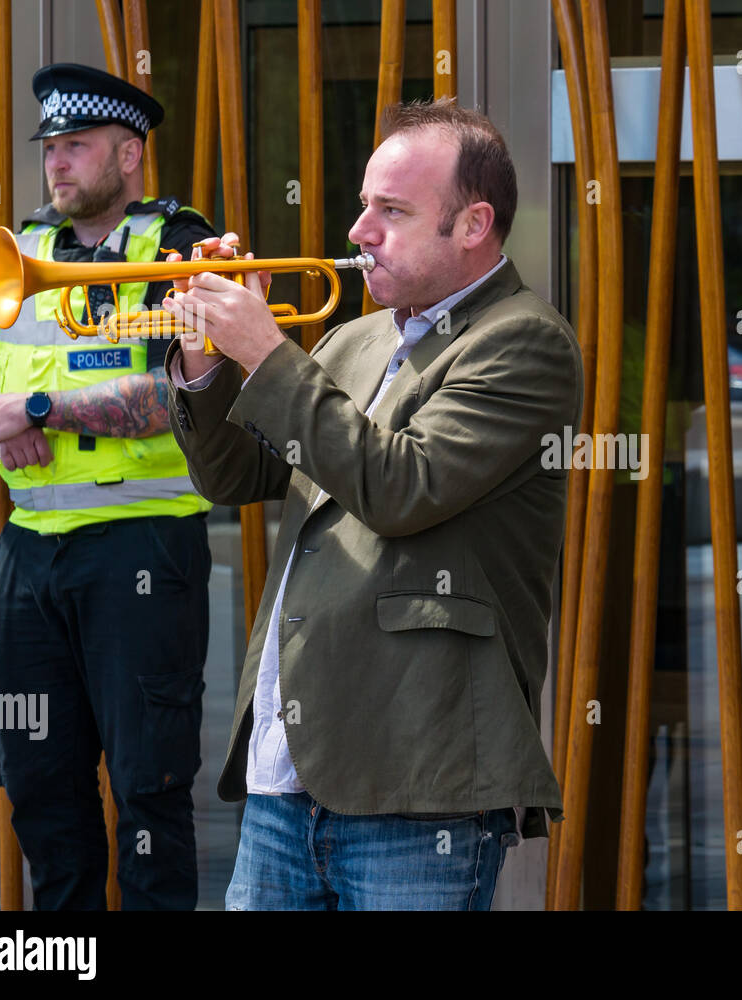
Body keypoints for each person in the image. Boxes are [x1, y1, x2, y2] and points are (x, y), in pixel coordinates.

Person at [164, 98, 581, 911]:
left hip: (419, 779)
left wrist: (267, 352)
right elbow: (234, 477)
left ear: (473, 225)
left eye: (391, 211)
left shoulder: (523, 340)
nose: (359, 230)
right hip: (288, 775)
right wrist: (203, 357)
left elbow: (400, 487)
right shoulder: (355, 341)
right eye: (364, 205)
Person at [0, 64, 217, 909]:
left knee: (148, 789)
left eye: (77, 147)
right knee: (37, 785)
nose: (57, 164)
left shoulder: (179, 242)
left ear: (129, 154)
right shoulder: (18, 251)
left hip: (143, 546)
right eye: (51, 148)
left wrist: (33, 407)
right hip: (29, 555)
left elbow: (169, 400)